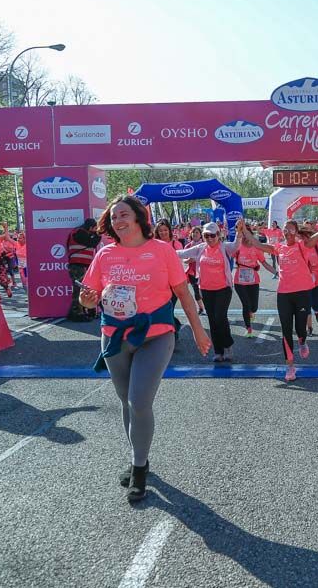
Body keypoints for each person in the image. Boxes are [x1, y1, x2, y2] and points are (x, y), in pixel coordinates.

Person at [79, 196, 210, 503]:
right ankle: (139, 455)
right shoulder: (104, 253)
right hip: (113, 336)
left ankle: (139, 469)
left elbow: (183, 292)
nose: (118, 221)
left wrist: (200, 331)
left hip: (156, 335)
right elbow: (90, 297)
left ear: (139, 218)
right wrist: (86, 299)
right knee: (125, 401)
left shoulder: (162, 251)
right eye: (113, 218)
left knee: (139, 401)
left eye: (124, 215)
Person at [239, 215, 318, 381]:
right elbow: (257, 244)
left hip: (302, 293)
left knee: (300, 329)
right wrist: (243, 229)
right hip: (284, 294)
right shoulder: (279, 247)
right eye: (284, 228)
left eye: (290, 228)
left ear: (296, 232)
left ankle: (302, 341)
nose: (286, 231)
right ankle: (290, 366)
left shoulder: (304, 245)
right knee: (286, 331)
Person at [176, 222, 240, 362]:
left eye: (212, 235)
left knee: (219, 317)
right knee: (212, 320)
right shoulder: (201, 248)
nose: (209, 238)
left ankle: (228, 345)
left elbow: (236, 245)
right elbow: (181, 253)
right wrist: (161, 251)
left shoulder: (225, 247)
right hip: (206, 289)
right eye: (206, 236)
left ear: (218, 235)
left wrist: (240, 233)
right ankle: (218, 351)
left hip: (223, 289)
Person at [232, 222, 274, 339]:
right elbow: (229, 256)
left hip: (253, 281)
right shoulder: (238, 247)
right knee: (246, 304)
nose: (246, 239)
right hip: (239, 281)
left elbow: (264, 263)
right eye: (244, 236)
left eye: (248, 236)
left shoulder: (257, 248)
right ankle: (248, 327)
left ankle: (251, 312)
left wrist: (276, 272)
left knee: (254, 307)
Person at [66, 218, 102, 322]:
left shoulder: (83, 232)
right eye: (94, 228)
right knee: (78, 289)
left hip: (82, 265)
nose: (95, 230)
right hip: (77, 265)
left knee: (82, 288)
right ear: (90, 227)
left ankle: (80, 311)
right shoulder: (79, 232)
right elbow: (92, 242)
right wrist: (98, 235)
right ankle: (77, 313)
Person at [182, 226, 206, 315]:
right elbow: (183, 258)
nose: (195, 234)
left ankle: (207, 306)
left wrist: (198, 259)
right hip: (192, 272)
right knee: (196, 290)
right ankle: (201, 308)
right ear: (191, 234)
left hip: (203, 272)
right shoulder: (188, 246)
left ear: (201, 235)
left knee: (204, 290)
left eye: (197, 232)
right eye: (193, 232)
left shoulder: (205, 245)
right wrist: (188, 260)